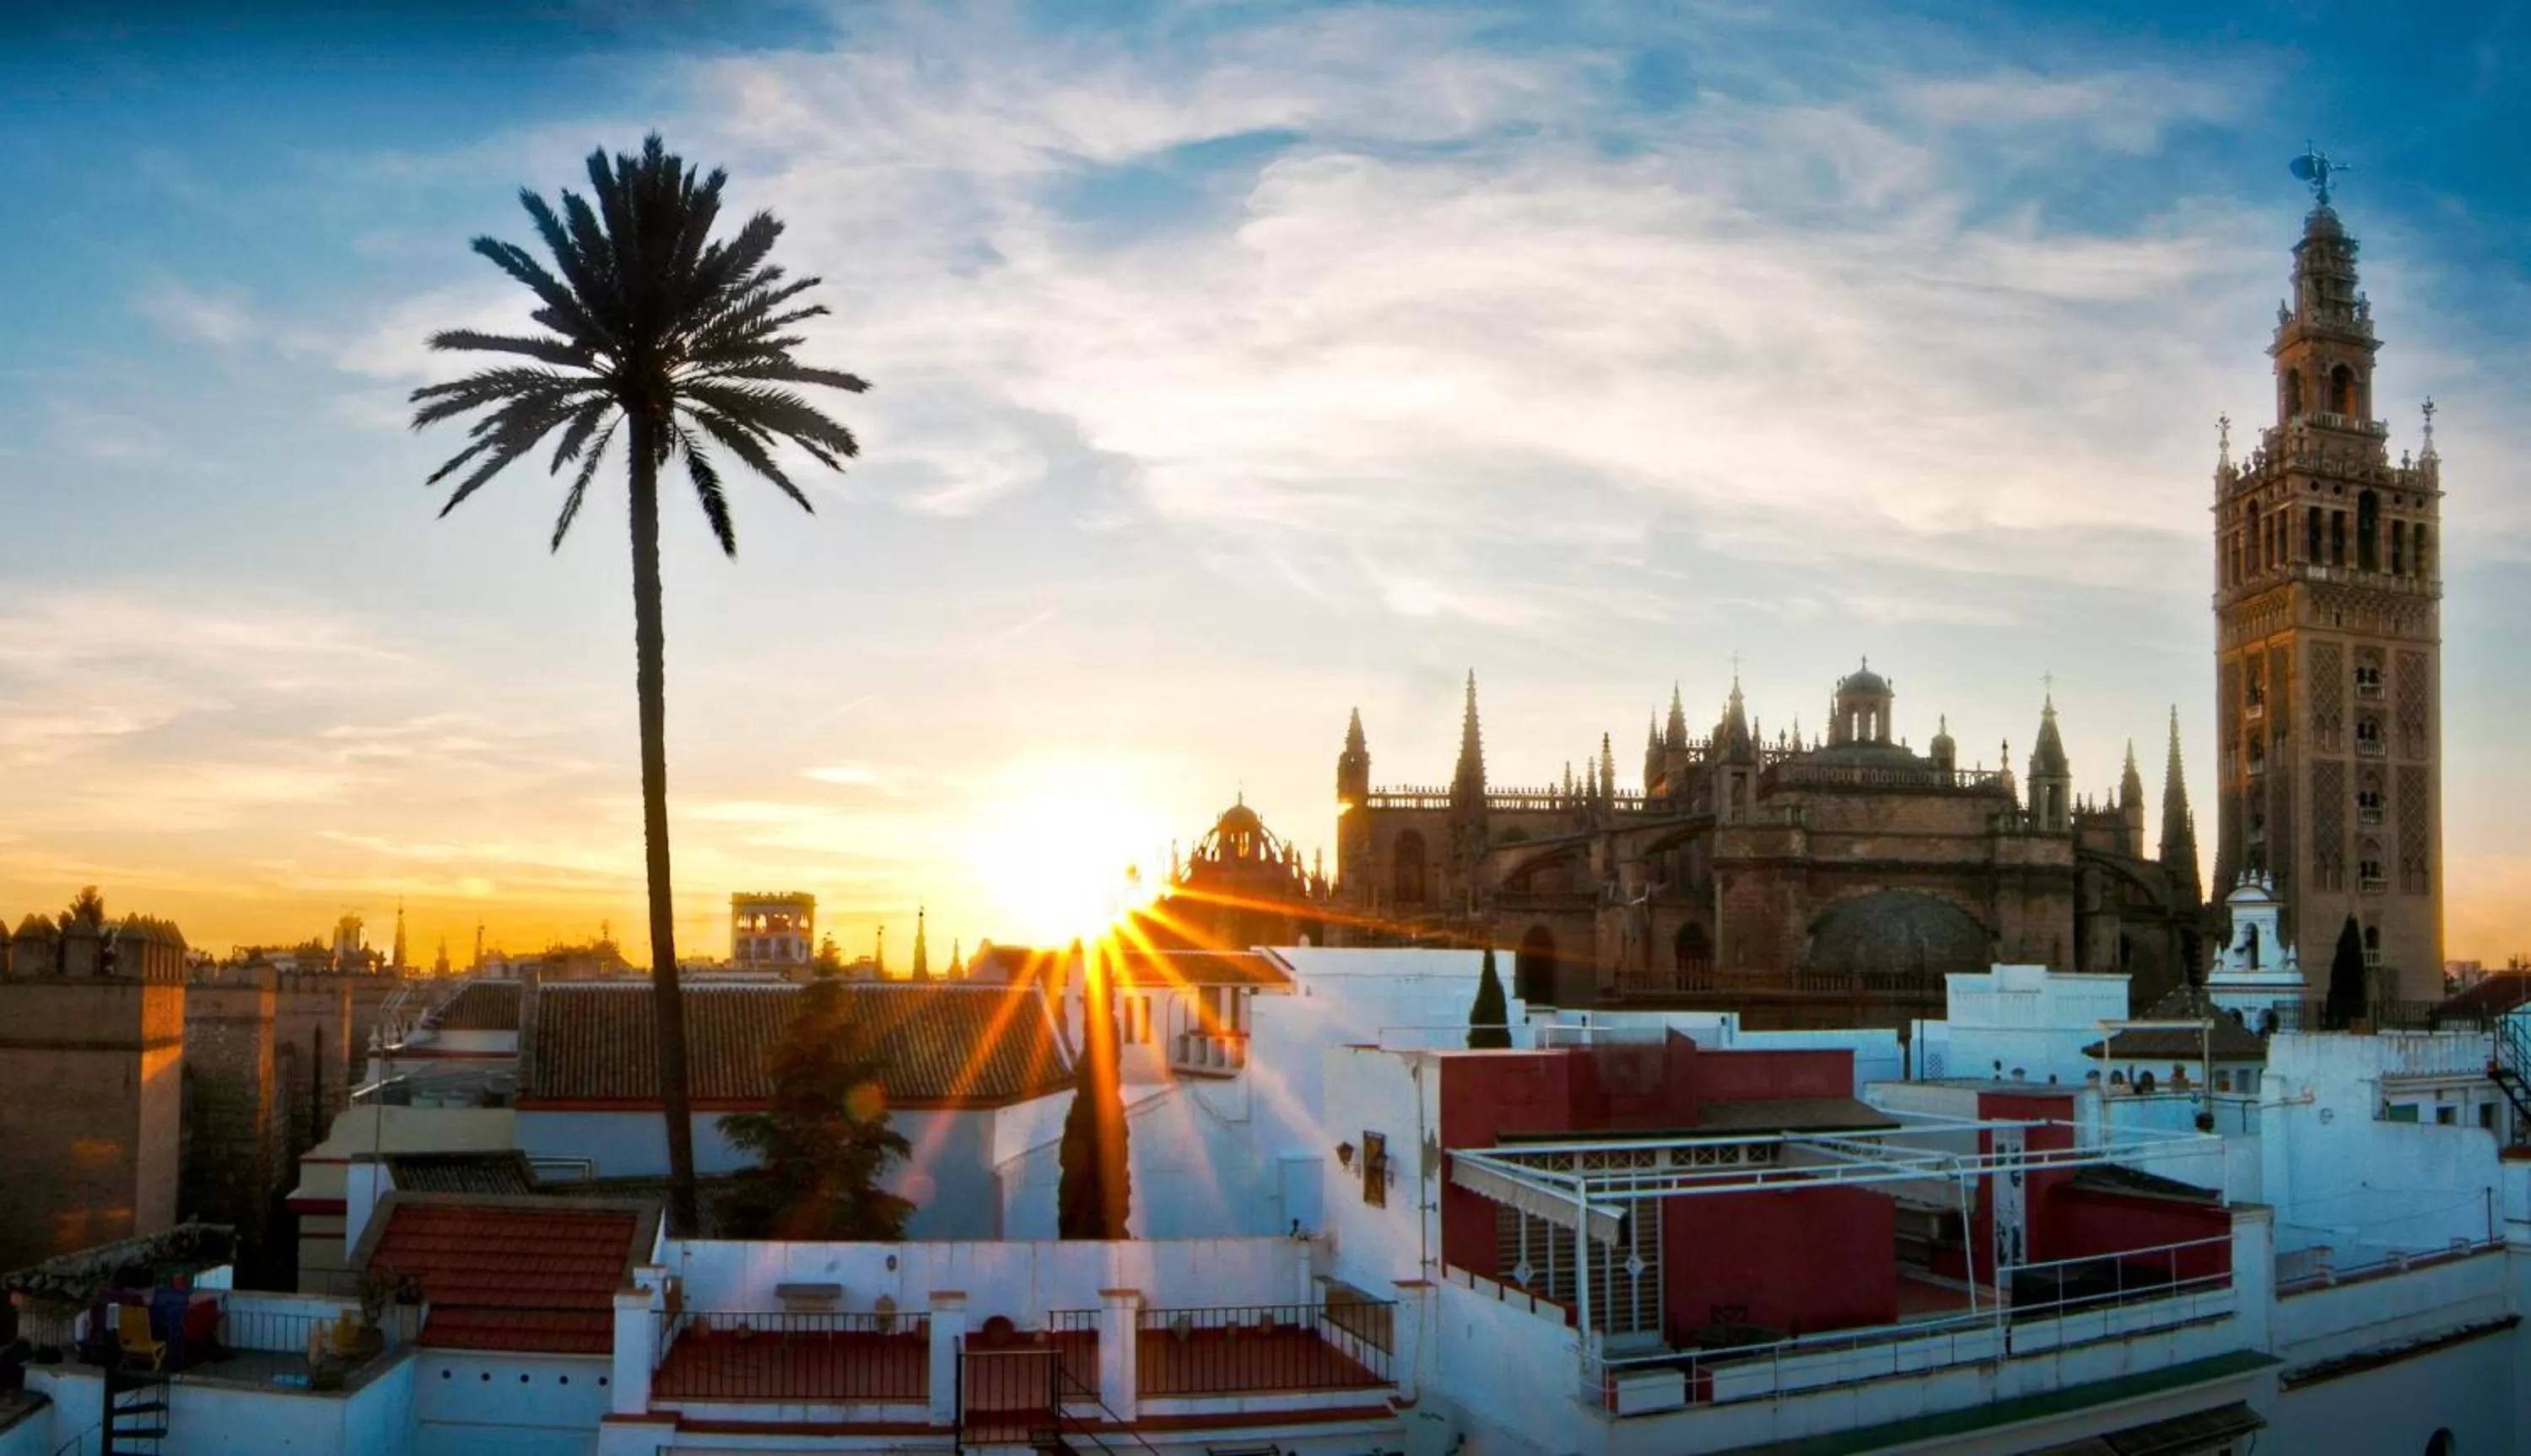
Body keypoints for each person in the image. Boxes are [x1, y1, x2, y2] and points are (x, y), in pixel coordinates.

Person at [149, 1274, 193, 1370]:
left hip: (153, 1332)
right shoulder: (176, 1298)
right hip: (162, 1333)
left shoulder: (159, 1295)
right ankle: (175, 1362)